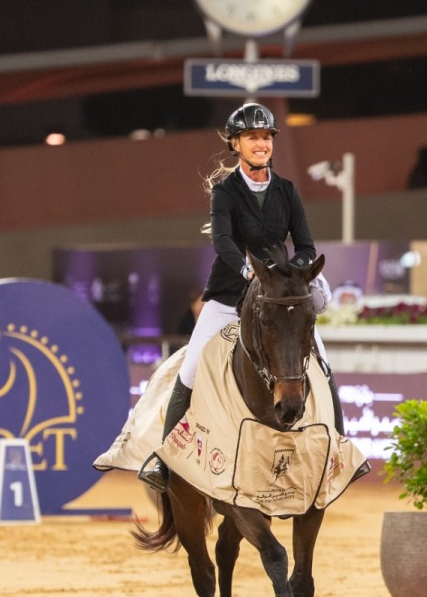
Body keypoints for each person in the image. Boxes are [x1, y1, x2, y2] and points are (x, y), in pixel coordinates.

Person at [138, 102, 337, 491]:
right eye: (252, 138)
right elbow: (223, 240)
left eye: (265, 137)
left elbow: (307, 245)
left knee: (324, 364)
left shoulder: (287, 190)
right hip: (230, 293)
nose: (261, 144)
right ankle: (166, 460)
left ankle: (339, 452)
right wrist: (249, 272)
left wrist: (290, 272)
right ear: (236, 144)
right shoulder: (225, 192)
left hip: (280, 296)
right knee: (192, 366)